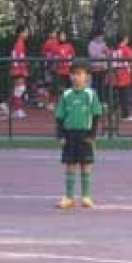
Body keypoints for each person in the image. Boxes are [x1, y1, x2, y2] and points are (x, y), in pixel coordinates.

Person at [55, 61, 103, 209]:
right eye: (74, 74)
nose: (77, 77)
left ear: (87, 77)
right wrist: (60, 135)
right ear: (70, 76)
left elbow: (96, 115)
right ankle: (69, 197)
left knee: (86, 165)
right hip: (70, 135)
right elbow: (59, 117)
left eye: (80, 74)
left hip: (85, 134)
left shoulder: (90, 94)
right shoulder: (66, 94)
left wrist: (92, 134)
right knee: (70, 165)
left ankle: (86, 196)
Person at [2, 25, 29, 119]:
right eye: (25, 32)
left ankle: (6, 104)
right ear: (20, 33)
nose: (27, 34)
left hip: (18, 68)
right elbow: (16, 57)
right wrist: (18, 69)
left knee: (18, 89)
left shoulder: (20, 43)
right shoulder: (18, 43)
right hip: (17, 69)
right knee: (20, 89)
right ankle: (17, 110)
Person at [109, 33, 132, 121]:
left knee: (114, 96)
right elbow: (131, 62)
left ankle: (112, 114)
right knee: (124, 96)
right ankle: (125, 115)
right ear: (124, 39)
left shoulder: (112, 49)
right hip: (123, 74)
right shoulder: (126, 49)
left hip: (113, 74)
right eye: (127, 38)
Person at [40, 29, 61, 109]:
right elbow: (44, 54)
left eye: (55, 33)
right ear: (50, 34)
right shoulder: (47, 42)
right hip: (49, 66)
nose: (54, 34)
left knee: (55, 84)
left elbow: (58, 53)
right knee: (49, 84)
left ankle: (52, 102)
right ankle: (48, 103)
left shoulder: (57, 41)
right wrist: (50, 61)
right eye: (53, 32)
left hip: (56, 66)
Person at [87, 28, 109, 103]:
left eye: (102, 36)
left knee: (102, 86)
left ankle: (102, 101)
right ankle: (93, 101)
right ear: (95, 36)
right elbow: (92, 55)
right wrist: (101, 52)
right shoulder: (91, 44)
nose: (101, 38)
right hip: (95, 69)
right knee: (95, 86)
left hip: (103, 68)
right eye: (100, 36)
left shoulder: (103, 43)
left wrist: (106, 52)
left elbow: (107, 53)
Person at [53, 30, 76, 99]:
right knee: (59, 88)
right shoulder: (55, 46)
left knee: (69, 87)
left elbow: (73, 56)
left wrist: (70, 62)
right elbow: (54, 57)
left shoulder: (69, 46)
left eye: (64, 35)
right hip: (59, 71)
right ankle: (59, 102)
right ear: (58, 37)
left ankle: (70, 101)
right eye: (61, 35)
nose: (63, 37)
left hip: (68, 70)